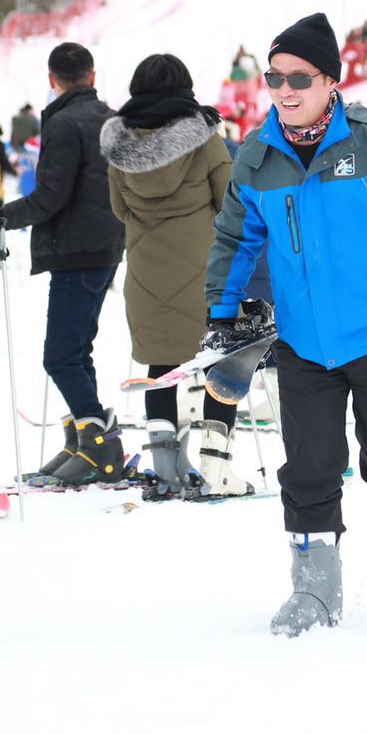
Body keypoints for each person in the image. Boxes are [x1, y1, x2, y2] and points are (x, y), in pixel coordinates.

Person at [203, 12, 367, 635]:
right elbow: (236, 237)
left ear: (330, 82)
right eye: (274, 77)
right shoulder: (258, 156)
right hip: (302, 345)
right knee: (309, 466)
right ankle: (316, 593)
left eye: (299, 77)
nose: (284, 89)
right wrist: (222, 312)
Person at [101, 53, 251, 500]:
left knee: (160, 368)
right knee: (218, 364)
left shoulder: (120, 149)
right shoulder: (205, 141)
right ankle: (215, 469)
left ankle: (165, 470)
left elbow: (119, 209)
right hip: (204, 272)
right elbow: (229, 201)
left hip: (146, 273)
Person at [0, 43, 127, 486]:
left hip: (77, 248)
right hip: (105, 244)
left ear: (52, 80)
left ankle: (99, 445)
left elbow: (51, 196)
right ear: (93, 75)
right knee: (76, 350)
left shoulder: (64, 122)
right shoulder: (111, 118)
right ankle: (82, 441)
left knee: (60, 356)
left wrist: (3, 216)